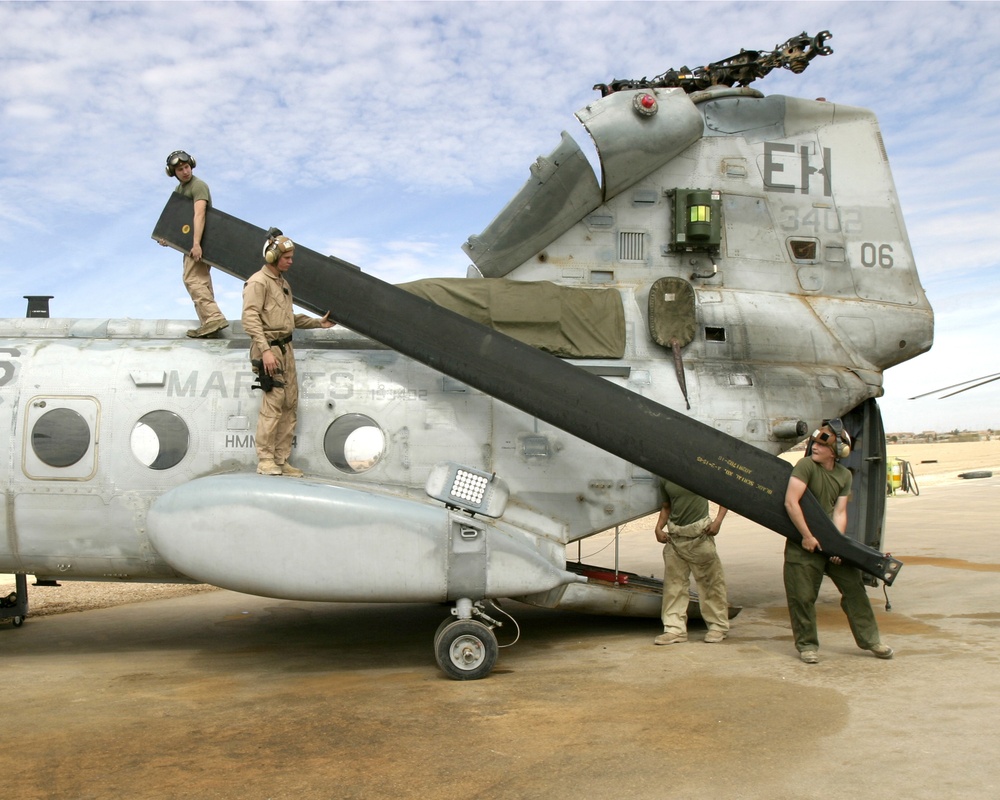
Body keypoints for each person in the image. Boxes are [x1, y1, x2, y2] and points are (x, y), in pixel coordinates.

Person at [783, 420, 894, 664]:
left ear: (835, 451)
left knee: (854, 589)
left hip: (828, 543)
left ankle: (870, 639)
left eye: (821, 445)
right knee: (802, 597)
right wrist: (807, 536)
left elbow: (840, 513)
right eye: (814, 442)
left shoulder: (844, 475)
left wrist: (836, 545)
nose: (814, 447)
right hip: (803, 544)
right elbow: (792, 502)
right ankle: (807, 645)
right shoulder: (805, 466)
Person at [242, 231, 334, 476]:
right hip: (269, 350)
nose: (291, 261)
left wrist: (317, 323)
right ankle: (265, 460)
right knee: (273, 405)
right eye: (287, 257)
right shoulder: (257, 282)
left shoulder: (282, 283)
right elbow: (250, 319)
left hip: (286, 349)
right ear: (273, 256)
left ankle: (281, 460)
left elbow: (287, 318)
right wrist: (265, 351)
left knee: (290, 405)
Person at [160, 150, 228, 338]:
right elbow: (178, 219)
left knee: (192, 279)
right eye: (180, 169)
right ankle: (209, 324)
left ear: (192, 165)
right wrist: (168, 238)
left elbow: (200, 214)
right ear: (173, 173)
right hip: (191, 242)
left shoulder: (198, 186)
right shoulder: (179, 191)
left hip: (199, 242)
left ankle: (213, 318)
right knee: (202, 281)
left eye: (186, 167)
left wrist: (196, 244)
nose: (185, 171)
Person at [653, 478, 730, 645]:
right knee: (674, 586)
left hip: (700, 537)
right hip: (675, 538)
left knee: (710, 584)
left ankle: (718, 627)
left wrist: (717, 522)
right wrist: (658, 528)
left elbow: (725, 496)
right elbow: (667, 507)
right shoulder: (664, 477)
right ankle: (674, 630)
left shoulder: (697, 472)